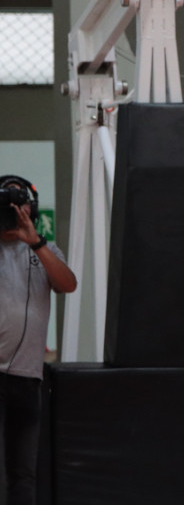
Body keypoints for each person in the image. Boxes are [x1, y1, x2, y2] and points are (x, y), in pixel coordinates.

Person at [0, 175, 75, 505]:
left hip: (28, 378)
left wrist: (36, 243)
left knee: (24, 473)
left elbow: (67, 285)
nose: (13, 211)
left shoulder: (44, 249)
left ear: (31, 208)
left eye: (19, 204)